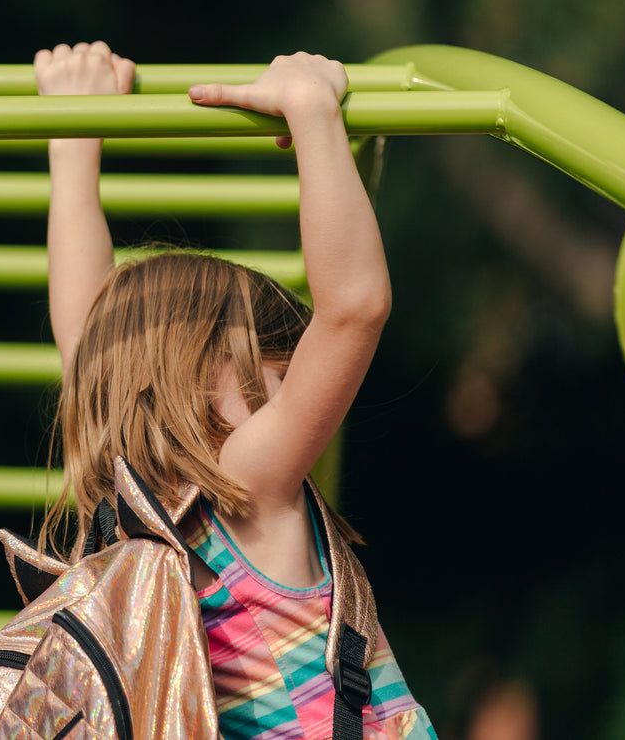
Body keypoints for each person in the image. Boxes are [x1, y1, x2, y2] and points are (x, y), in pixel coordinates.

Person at [35, 41, 436, 739]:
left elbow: (88, 338)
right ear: (192, 375)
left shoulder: (129, 510)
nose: (292, 393)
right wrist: (311, 111)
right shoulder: (245, 481)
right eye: (275, 371)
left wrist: (74, 143)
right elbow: (354, 306)